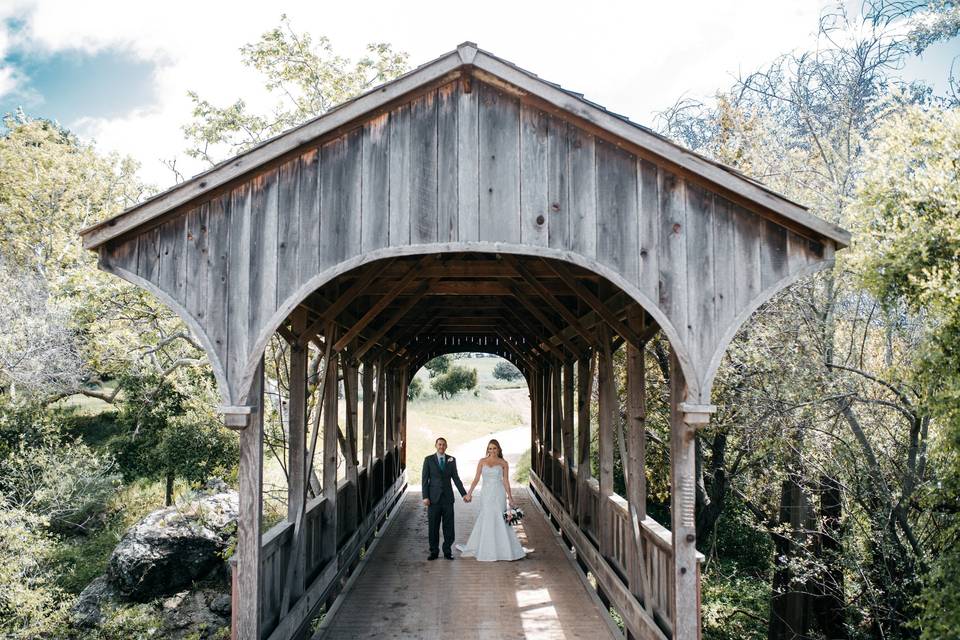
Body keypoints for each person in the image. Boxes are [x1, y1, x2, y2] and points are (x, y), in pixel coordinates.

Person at [457, 439, 526, 561]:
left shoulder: (503, 463)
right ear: (487, 450)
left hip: (498, 493)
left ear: (498, 449)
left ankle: (503, 549)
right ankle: (485, 548)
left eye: (494, 448)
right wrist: (469, 493)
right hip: (486, 494)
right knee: (486, 516)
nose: (492, 451)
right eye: (490, 448)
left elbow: (505, 480)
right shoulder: (482, 462)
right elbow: (476, 478)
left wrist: (510, 497)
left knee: (500, 517)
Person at [421, 437, 469, 560]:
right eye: (439, 444)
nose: (441, 447)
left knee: (449, 526)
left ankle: (447, 551)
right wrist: (425, 496)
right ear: (436, 445)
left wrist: (464, 494)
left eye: (443, 445)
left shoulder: (451, 460)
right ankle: (434, 552)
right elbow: (424, 480)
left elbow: (456, 478)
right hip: (433, 499)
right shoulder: (428, 460)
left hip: (447, 499)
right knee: (433, 526)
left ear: (446, 446)